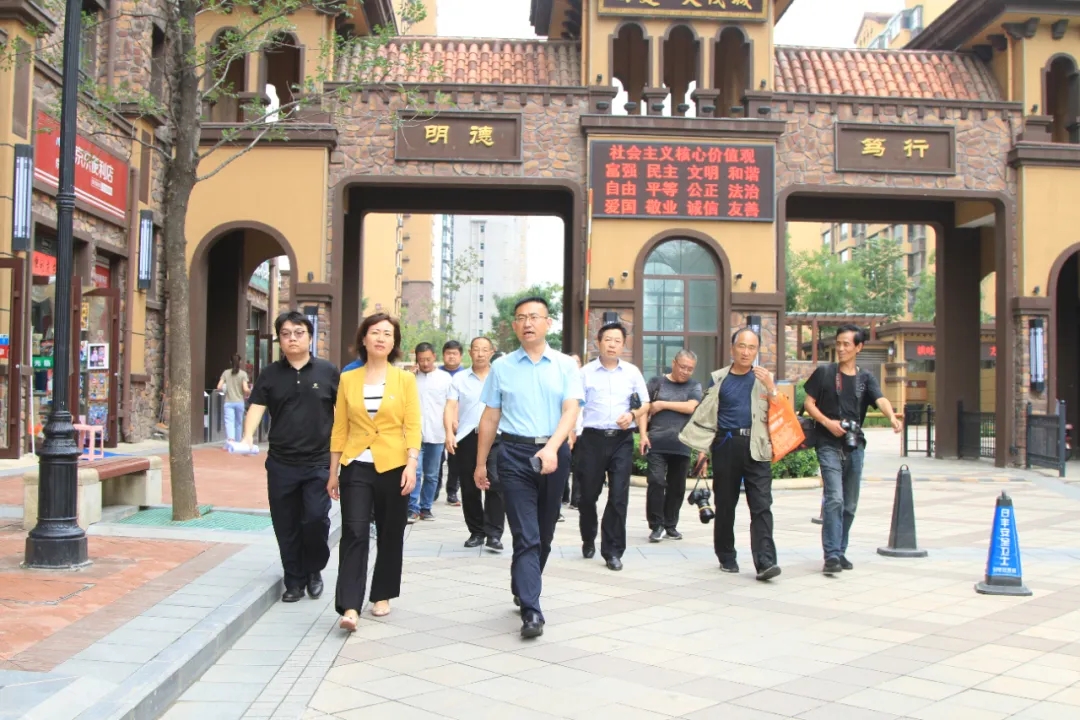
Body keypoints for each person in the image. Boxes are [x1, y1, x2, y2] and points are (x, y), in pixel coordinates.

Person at [474, 296, 582, 638]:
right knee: (526, 534)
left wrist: (551, 448)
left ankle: (523, 585)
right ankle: (532, 610)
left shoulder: (565, 365)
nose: (528, 323)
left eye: (534, 317)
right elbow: (490, 417)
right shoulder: (502, 367)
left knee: (545, 534)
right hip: (513, 454)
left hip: (554, 453)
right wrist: (480, 463)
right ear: (514, 326)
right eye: (521, 318)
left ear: (548, 323)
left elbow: (571, 410)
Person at [327, 313, 419, 630]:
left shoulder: (405, 380)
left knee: (391, 532)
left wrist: (412, 463)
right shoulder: (348, 379)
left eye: (387, 334)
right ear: (363, 339)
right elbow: (340, 427)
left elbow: (413, 425)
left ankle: (382, 594)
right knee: (354, 532)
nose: (381, 338)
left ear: (394, 343)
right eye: (375, 332)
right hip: (356, 466)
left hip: (394, 465)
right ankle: (350, 606)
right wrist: (333, 471)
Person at [241, 311, 338, 602]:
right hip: (281, 463)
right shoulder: (270, 374)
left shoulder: (328, 372)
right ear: (279, 340)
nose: (292, 338)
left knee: (315, 519)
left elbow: (342, 414)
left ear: (310, 337)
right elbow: (257, 406)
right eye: (285, 334)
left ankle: (314, 569)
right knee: (286, 524)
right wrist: (247, 437)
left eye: (298, 333)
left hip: (318, 462)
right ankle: (294, 580)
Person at [803, 324, 902, 576]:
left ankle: (840, 550)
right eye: (838, 343)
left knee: (849, 504)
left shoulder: (865, 378)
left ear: (859, 347)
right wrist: (827, 422)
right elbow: (809, 403)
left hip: (854, 445)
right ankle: (831, 556)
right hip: (827, 443)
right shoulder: (825, 373)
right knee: (835, 498)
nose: (841, 348)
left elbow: (880, 399)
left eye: (846, 344)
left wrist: (891, 417)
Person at [694, 329, 782, 582]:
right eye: (741, 346)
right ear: (732, 349)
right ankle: (726, 555)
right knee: (725, 504)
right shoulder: (719, 378)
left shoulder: (764, 379)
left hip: (757, 447)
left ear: (757, 351)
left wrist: (771, 387)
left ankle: (765, 562)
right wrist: (702, 451)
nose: (746, 352)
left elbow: (780, 411)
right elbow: (707, 416)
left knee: (762, 505)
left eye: (751, 348)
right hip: (726, 444)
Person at [576, 322, 649, 572]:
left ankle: (613, 550)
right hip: (591, 440)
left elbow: (646, 403)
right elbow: (575, 405)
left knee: (618, 497)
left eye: (617, 341)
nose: (612, 345)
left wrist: (632, 414)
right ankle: (588, 536)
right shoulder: (585, 373)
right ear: (599, 342)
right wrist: (572, 434)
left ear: (623, 345)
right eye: (608, 339)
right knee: (587, 496)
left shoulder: (632, 372)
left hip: (621, 440)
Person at [445, 337, 504, 551]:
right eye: (476, 349)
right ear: (470, 352)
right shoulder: (460, 379)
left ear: (491, 352)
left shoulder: (500, 377)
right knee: (469, 486)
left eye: (484, 350)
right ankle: (477, 531)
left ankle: (494, 534)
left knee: (495, 483)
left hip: (497, 437)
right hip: (468, 436)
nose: (480, 353)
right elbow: (450, 406)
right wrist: (448, 433)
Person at [638, 349, 702, 542]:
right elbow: (643, 409)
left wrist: (662, 404)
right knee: (656, 482)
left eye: (690, 369)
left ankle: (670, 525)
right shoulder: (656, 383)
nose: (685, 371)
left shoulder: (694, 386)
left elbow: (691, 407)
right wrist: (643, 435)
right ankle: (656, 525)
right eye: (682, 367)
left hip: (682, 444)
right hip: (656, 442)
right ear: (674, 363)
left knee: (677, 487)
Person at [409, 343, 452, 523]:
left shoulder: (445, 378)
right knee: (415, 471)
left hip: (436, 432)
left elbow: (451, 405)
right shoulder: (410, 378)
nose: (425, 363)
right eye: (421, 360)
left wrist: (450, 431)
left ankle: (426, 507)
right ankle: (412, 508)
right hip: (414, 433)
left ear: (434, 356)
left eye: (428, 359)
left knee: (432, 474)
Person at [439, 340, 466, 506]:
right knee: (437, 460)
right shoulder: (436, 373)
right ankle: (434, 489)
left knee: (455, 461)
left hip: (458, 424)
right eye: (448, 353)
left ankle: (452, 491)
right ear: (443, 355)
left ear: (461, 356)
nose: (451, 356)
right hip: (436, 423)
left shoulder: (465, 375)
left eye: (454, 353)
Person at [563, 353, 584, 511]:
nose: (574, 364)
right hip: (564, 430)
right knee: (563, 465)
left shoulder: (585, 380)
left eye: (577, 362)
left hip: (582, 430)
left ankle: (576, 499)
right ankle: (563, 495)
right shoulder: (563, 379)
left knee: (579, 466)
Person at [217, 353, 251, 443]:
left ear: (230, 362)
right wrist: (249, 391)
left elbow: (219, 386)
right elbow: (245, 389)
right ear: (240, 362)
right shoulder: (243, 374)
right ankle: (238, 441)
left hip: (228, 401)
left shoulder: (226, 373)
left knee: (229, 421)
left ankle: (231, 439)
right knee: (239, 423)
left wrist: (226, 387)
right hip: (239, 402)